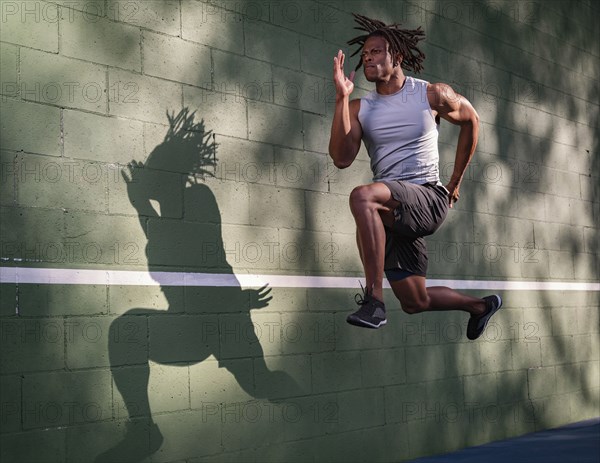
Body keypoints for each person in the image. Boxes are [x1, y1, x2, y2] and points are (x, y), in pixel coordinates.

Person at [328, 14, 501, 340]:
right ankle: (480, 306)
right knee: (414, 300)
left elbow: (471, 120)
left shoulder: (431, 94)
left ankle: (374, 301)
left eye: (377, 51)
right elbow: (341, 158)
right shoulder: (358, 108)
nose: (368, 57)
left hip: (427, 197)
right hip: (392, 209)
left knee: (361, 196)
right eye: (365, 54)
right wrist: (340, 98)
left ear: (398, 57)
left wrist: (455, 183)